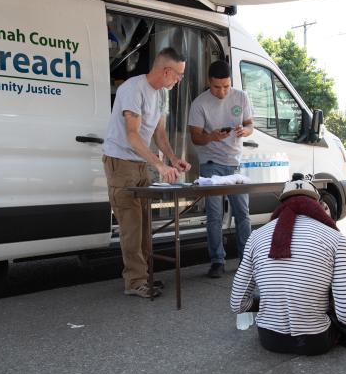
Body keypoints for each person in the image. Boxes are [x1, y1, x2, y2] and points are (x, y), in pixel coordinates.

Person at [230, 177, 346, 356]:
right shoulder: (336, 239)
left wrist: (275, 301)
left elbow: (237, 304)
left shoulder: (256, 236)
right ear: (318, 205)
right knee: (333, 299)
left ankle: (330, 292)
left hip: (269, 340)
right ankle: (345, 288)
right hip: (316, 341)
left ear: (280, 204)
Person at [102, 47, 191, 299]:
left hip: (140, 162)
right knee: (131, 225)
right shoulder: (132, 89)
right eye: (178, 75)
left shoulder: (162, 93)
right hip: (120, 161)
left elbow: (159, 134)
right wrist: (159, 165)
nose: (179, 80)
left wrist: (173, 160)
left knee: (143, 223)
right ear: (166, 71)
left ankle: (144, 276)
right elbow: (132, 135)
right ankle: (135, 281)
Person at [188, 60, 254, 278]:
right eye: (217, 87)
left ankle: (246, 260)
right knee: (215, 216)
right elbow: (195, 138)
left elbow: (250, 124)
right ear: (209, 82)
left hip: (236, 163)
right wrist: (211, 136)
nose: (222, 91)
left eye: (226, 86)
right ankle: (217, 260)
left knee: (242, 213)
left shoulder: (241, 96)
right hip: (211, 165)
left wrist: (245, 130)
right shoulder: (200, 103)